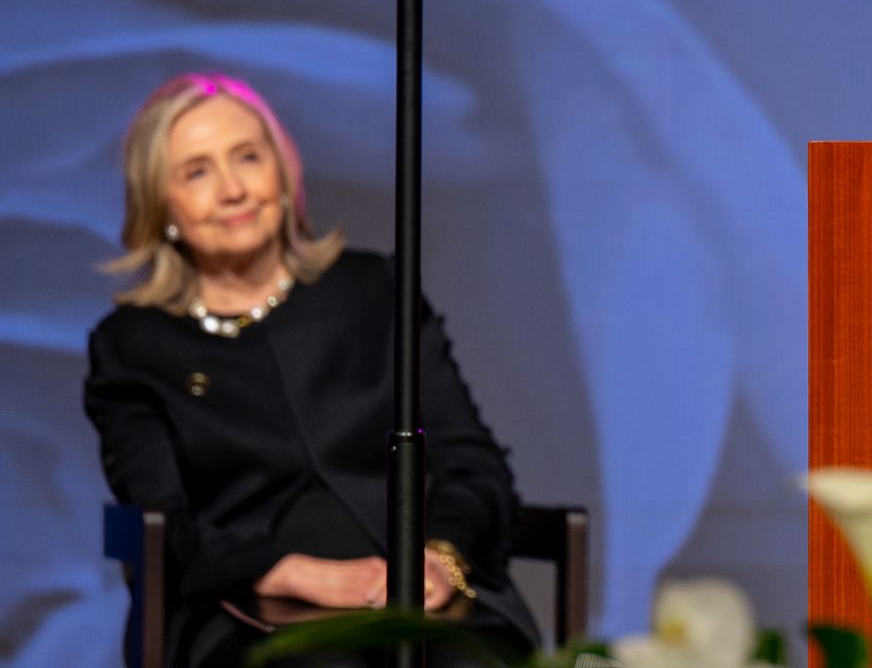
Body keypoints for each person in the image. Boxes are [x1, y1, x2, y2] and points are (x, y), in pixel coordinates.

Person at [84, 73, 537, 666]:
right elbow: (164, 521)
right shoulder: (133, 345)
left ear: (284, 171)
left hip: (420, 597)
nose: (232, 190)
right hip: (244, 609)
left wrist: (441, 559)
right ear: (160, 206)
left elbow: (470, 461)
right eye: (197, 172)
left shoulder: (375, 290)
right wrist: (289, 572)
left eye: (247, 157)